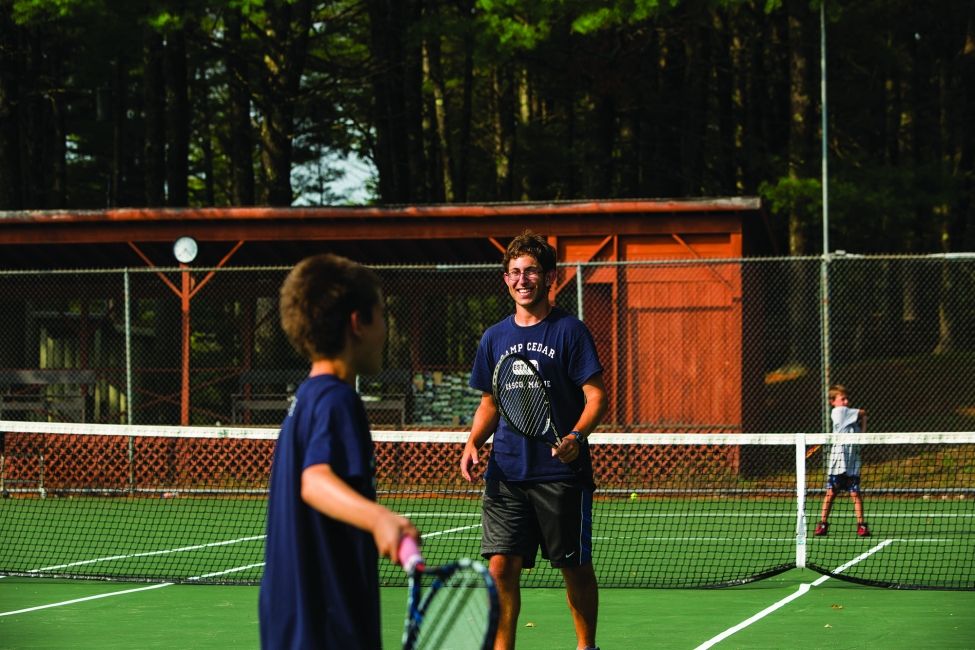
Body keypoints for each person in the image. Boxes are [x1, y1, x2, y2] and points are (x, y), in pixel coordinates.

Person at [259, 253, 420, 649]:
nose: (385, 327)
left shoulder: (305, 400)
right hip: (329, 629)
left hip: (289, 626)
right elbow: (314, 481)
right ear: (357, 324)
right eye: (380, 314)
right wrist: (379, 518)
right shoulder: (338, 401)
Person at [460, 231, 607, 650]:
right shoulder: (493, 338)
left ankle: (586, 646)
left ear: (549, 279)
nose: (522, 279)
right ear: (506, 280)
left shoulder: (570, 332)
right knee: (501, 567)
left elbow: (596, 397)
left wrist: (577, 436)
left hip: (560, 473)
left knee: (574, 567)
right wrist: (473, 441)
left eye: (531, 272)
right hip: (506, 472)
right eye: (514, 273)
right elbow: (492, 401)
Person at [814, 384, 870, 538]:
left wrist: (862, 426)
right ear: (833, 401)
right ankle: (823, 523)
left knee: (855, 494)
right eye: (842, 399)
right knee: (831, 493)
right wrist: (864, 418)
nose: (846, 402)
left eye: (847, 399)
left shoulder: (851, 420)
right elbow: (863, 412)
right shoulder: (840, 411)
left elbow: (860, 431)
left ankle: (861, 525)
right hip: (838, 462)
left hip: (852, 463)